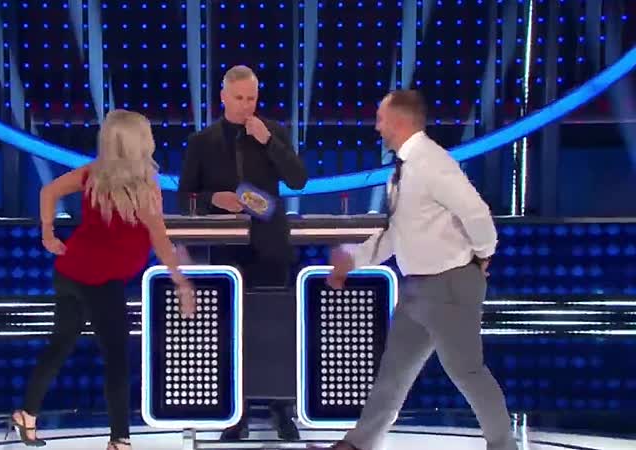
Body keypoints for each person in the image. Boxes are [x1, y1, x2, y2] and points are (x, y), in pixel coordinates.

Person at [311, 90, 517, 450]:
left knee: (467, 371)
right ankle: (359, 444)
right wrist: (353, 260)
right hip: (416, 290)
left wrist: (484, 255)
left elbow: (476, 213)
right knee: (393, 372)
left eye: (380, 119)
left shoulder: (431, 163)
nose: (377, 127)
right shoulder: (403, 170)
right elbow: (397, 234)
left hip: (448, 285)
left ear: (399, 121)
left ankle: (503, 447)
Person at [8, 109, 196, 450]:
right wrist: (180, 280)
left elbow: (48, 191)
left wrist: (48, 233)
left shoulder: (92, 174)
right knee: (116, 358)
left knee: (60, 345)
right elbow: (159, 238)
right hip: (100, 279)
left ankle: (27, 414)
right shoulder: (143, 188)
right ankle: (119, 439)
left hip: (70, 272)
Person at [177, 65, 308, 441]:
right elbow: (185, 197)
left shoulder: (272, 132)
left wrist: (269, 142)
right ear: (223, 97)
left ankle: (281, 410)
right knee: (231, 331)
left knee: (277, 328)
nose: (246, 105)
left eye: (252, 98)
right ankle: (237, 414)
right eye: (239, 98)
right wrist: (212, 199)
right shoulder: (202, 142)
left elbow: (298, 179)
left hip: (271, 246)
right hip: (226, 252)